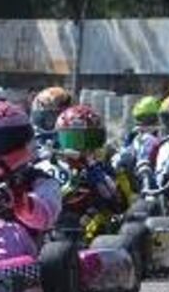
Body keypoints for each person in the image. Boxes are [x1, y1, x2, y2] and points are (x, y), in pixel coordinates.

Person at [0, 100, 62, 261]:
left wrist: (20, 200)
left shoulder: (39, 180)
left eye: (0, 142)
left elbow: (45, 216)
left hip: (26, 252)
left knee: (4, 230)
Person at [51, 104, 128, 244]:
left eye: (90, 140)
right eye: (74, 140)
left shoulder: (104, 168)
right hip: (51, 227)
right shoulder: (48, 165)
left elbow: (118, 204)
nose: (82, 147)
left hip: (94, 232)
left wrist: (90, 167)